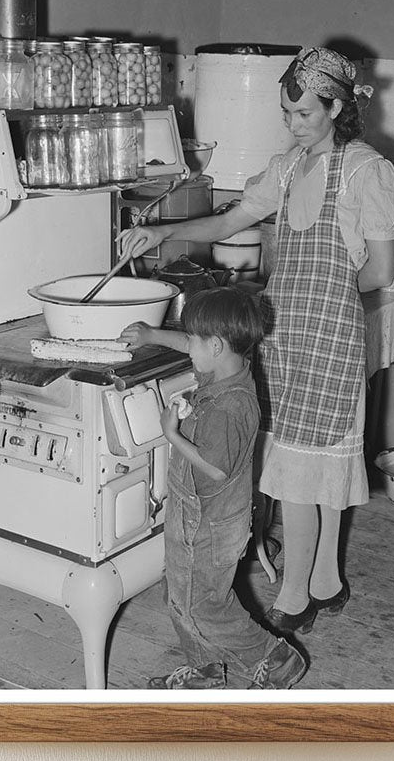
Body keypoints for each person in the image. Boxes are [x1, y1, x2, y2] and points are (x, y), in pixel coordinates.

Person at [120, 46, 394, 637]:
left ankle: (296, 596)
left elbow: (378, 272)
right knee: (306, 465)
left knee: (303, 470)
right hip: (285, 330)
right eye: (286, 112)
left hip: (328, 335)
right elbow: (230, 222)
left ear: (336, 107)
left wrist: (318, 291)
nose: (292, 124)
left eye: (303, 113)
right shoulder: (290, 166)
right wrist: (158, 234)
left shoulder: (365, 171)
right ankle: (326, 582)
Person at [122, 288, 306, 690]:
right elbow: (196, 343)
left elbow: (217, 469)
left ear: (217, 345)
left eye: (193, 343)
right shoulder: (227, 369)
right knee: (182, 595)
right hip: (197, 515)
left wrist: (172, 434)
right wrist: (153, 335)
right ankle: (205, 670)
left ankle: (275, 658)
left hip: (209, 524)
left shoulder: (230, 406)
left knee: (205, 605)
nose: (188, 350)